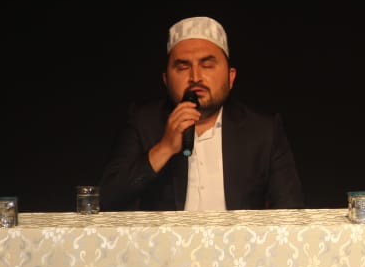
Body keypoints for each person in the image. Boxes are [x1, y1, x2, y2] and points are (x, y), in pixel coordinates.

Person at [98, 16, 304, 211]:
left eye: (207, 65)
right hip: (167, 238)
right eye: (183, 67)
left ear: (231, 77)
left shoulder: (263, 131)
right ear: (166, 80)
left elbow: (290, 212)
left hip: (237, 238)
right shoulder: (143, 122)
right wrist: (164, 148)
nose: (195, 77)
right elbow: (104, 201)